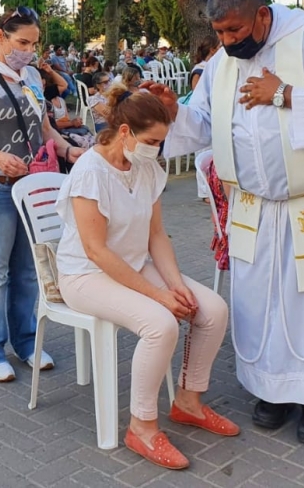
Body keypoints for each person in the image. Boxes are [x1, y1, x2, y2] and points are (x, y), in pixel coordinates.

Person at [146, 0, 304, 446]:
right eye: (219, 34)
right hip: (254, 208)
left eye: (234, 30)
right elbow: (207, 126)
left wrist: (286, 93)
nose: (228, 41)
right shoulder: (222, 63)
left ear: (261, 15)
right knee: (261, 303)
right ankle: (272, 390)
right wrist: (174, 112)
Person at [55, 87, 237, 469]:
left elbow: (156, 235)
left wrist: (177, 286)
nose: (157, 148)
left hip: (134, 264)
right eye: (152, 141)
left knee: (213, 309)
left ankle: (188, 402)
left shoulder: (148, 167)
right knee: (160, 325)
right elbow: (96, 251)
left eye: (161, 141)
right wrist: (159, 295)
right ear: (124, 132)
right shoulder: (91, 171)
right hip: (85, 275)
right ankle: (141, 425)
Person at [0, 7, 82, 382]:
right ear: (1, 36)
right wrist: (0, 158)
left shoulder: (29, 75)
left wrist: (67, 150)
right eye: (22, 42)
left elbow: (43, 127)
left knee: (29, 270)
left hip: (31, 186)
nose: (28, 50)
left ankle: (27, 342)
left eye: (33, 43)